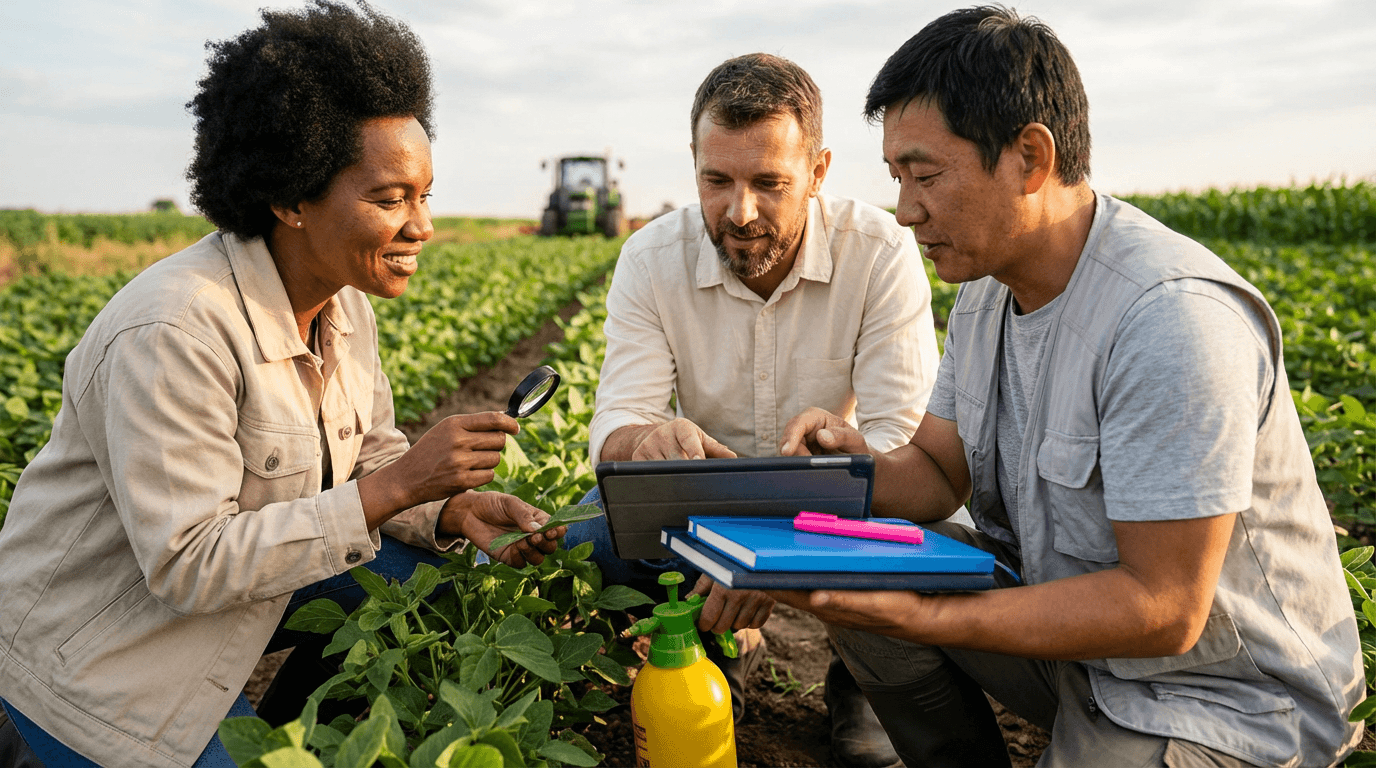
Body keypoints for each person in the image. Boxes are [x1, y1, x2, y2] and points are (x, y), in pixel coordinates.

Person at [772, 6, 1365, 767]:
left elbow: (1162, 610)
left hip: (1222, 701)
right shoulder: (988, 292)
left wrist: (928, 616)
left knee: (896, 605)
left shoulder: (1169, 318)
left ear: (1030, 156)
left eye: (925, 175)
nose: (906, 209)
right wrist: (841, 465)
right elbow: (936, 473)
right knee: (857, 585)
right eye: (897, 178)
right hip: (1086, 660)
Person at [0, 3, 564, 765]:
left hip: (229, 588)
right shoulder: (174, 330)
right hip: (105, 651)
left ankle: (294, 728)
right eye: (390, 198)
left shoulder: (344, 306)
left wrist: (453, 507)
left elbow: (366, 455)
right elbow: (188, 564)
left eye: (424, 194)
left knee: (428, 586)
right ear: (291, 199)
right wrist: (399, 485)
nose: (422, 225)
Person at [568, 53, 942, 768]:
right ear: (694, 165)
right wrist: (647, 439)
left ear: (819, 172)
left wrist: (782, 534)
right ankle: (712, 647)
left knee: (934, 521)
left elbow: (902, 446)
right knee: (593, 529)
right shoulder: (651, 259)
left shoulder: (880, 253)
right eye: (717, 181)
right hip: (706, 511)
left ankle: (866, 675)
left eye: (769, 183)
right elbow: (612, 434)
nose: (739, 212)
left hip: (833, 505)